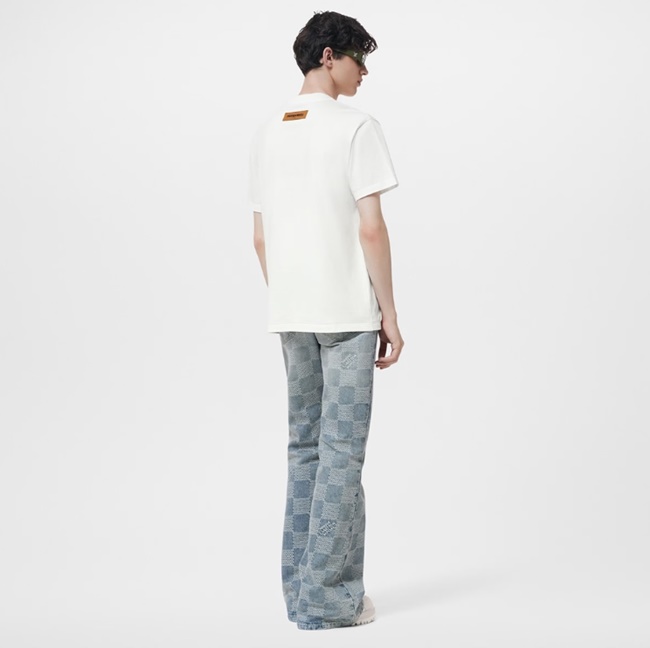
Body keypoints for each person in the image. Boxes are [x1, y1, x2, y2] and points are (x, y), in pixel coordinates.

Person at [248, 10, 404, 631]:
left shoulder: (268, 131)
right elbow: (372, 228)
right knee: (341, 454)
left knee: (304, 450)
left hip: (291, 313)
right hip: (347, 314)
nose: (364, 73)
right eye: (360, 58)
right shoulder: (357, 126)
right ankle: (330, 601)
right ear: (329, 56)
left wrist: (292, 297)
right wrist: (389, 312)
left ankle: (301, 593)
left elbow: (260, 239)